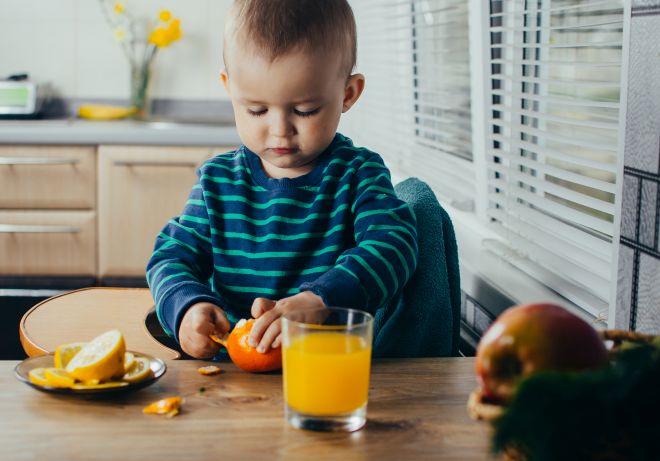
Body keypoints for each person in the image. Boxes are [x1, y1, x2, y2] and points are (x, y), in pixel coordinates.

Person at [146, 0, 419, 359]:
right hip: (230, 377)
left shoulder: (358, 175)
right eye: (256, 109)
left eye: (305, 110)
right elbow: (170, 257)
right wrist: (186, 307)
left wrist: (321, 300)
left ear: (347, 94)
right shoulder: (216, 182)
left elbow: (394, 244)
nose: (279, 131)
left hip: (325, 372)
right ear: (229, 88)